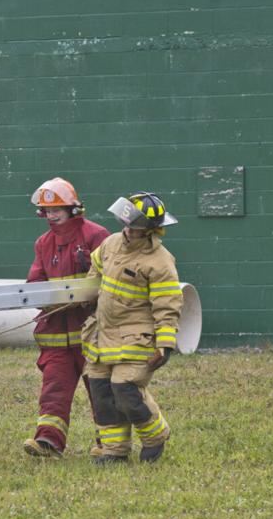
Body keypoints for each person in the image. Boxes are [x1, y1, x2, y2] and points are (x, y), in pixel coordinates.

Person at [81, 192, 182, 464]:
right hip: (102, 336)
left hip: (137, 338)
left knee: (125, 390)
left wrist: (165, 343)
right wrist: (83, 295)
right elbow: (95, 273)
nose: (127, 230)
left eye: (134, 227)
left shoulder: (160, 261)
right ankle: (115, 451)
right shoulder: (110, 244)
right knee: (101, 392)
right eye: (126, 223)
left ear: (149, 229)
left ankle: (154, 434)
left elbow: (167, 304)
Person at [23, 178, 110, 458]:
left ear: (73, 208)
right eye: (46, 211)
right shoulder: (43, 243)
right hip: (56, 335)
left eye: (57, 209)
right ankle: (48, 441)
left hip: (90, 331)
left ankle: (109, 443)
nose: (51, 215)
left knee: (100, 388)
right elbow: (36, 281)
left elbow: (110, 281)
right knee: (54, 389)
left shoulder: (96, 236)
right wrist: (46, 301)